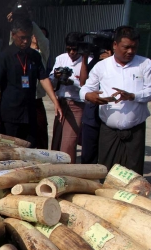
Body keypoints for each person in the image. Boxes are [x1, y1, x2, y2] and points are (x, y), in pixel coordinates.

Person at [80, 26, 151, 174]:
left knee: (133, 175)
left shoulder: (146, 64)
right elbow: (85, 89)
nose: (130, 51)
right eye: (126, 47)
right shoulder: (102, 66)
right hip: (108, 131)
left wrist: (133, 96)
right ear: (115, 45)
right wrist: (89, 96)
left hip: (135, 131)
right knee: (107, 173)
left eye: (134, 47)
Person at [0, 17, 62, 147]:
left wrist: (55, 101)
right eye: (22, 38)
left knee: (29, 148)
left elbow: (43, 78)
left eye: (28, 38)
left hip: (29, 113)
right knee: (8, 150)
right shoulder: (4, 56)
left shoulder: (34, 56)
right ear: (13, 35)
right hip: (10, 115)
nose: (25, 41)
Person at [49, 32, 92, 163]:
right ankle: (55, 169)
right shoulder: (61, 58)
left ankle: (67, 171)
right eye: (69, 49)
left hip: (77, 104)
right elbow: (51, 79)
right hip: (61, 102)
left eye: (75, 49)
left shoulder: (88, 60)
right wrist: (56, 77)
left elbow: (88, 86)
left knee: (68, 143)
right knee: (57, 140)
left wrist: (72, 82)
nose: (72, 52)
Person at [79, 37, 114, 164]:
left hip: (110, 114)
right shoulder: (95, 63)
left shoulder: (116, 66)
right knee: (88, 154)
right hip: (91, 115)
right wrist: (84, 58)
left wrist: (110, 60)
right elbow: (83, 83)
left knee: (107, 155)